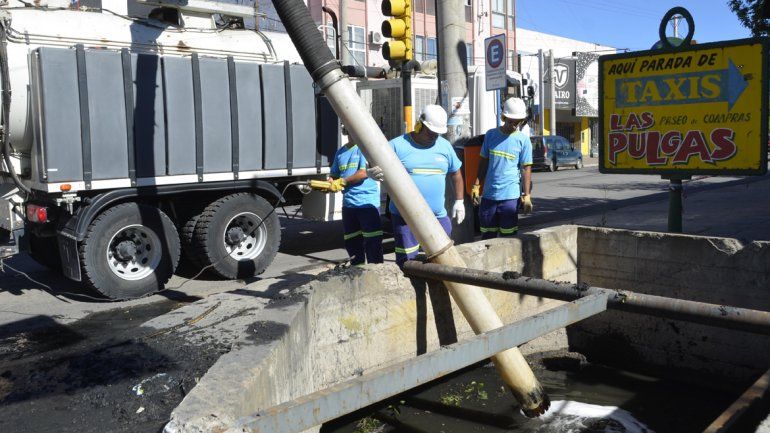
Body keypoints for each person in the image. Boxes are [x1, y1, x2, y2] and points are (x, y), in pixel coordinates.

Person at [367, 105, 465, 267]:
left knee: (443, 256)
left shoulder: (444, 146)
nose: (434, 137)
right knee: (408, 261)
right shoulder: (397, 146)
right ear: (419, 125)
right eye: (430, 132)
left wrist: (459, 201)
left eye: (437, 134)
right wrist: (371, 173)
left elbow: (456, 174)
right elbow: (372, 163)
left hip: (437, 215)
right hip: (405, 216)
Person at [471, 97, 533, 240]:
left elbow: (526, 169)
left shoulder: (523, 141)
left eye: (517, 122)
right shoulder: (491, 135)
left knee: (509, 239)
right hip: (489, 196)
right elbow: (483, 162)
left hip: (510, 197)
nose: (514, 125)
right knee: (487, 237)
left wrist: (527, 195)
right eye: (511, 121)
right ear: (503, 117)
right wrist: (476, 185)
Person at [328, 128, 383, 265]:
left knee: (373, 243)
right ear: (346, 131)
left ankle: (376, 276)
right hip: (349, 205)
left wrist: (343, 181)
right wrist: (329, 183)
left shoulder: (364, 149)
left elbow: (363, 173)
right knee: (352, 242)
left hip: (367, 204)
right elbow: (334, 174)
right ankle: (357, 273)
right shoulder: (340, 153)